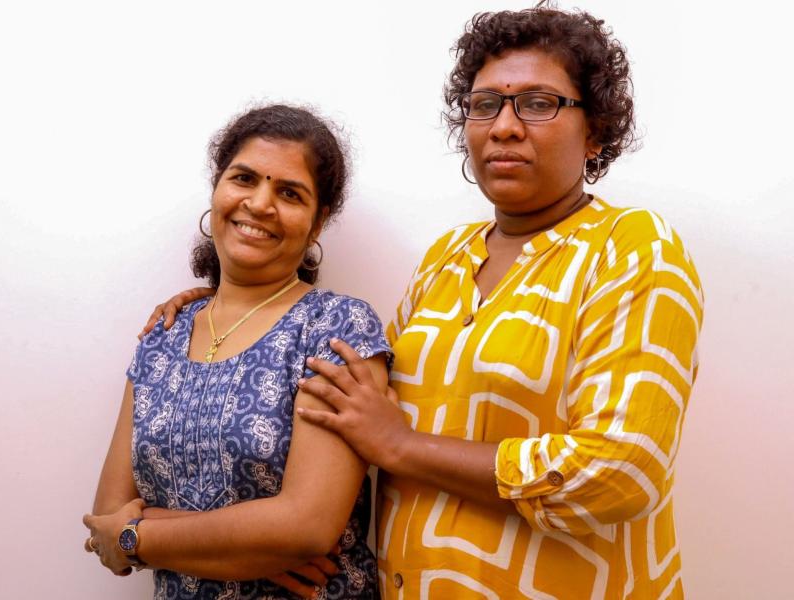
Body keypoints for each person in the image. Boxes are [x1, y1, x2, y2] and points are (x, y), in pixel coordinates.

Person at [142, 5, 703, 600]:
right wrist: (226, 300)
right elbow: (352, 402)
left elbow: (620, 471)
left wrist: (403, 446)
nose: (505, 126)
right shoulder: (446, 259)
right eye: (486, 104)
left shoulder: (633, 247)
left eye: (538, 103)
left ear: (594, 130)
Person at [84, 104, 391, 599]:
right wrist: (251, 546)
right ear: (217, 189)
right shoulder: (163, 334)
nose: (260, 203)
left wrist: (137, 536)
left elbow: (306, 528)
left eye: (290, 193)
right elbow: (105, 516)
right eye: (244, 178)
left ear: (318, 223)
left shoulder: (335, 328)